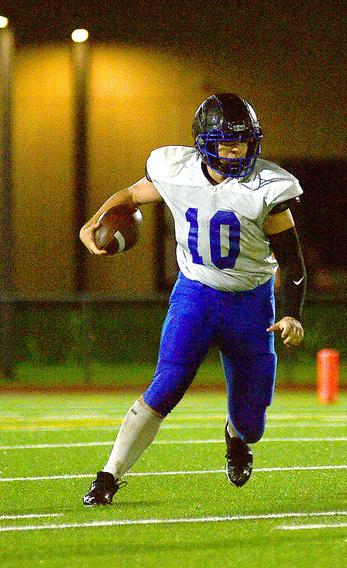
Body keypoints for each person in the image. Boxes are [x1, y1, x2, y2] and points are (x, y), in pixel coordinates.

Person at [79, 93, 307, 505]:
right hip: (197, 295)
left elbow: (292, 260)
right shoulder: (175, 170)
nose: (236, 150)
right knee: (166, 385)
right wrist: (95, 221)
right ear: (204, 143)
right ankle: (108, 475)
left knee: (252, 423)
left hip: (251, 304)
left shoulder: (269, 187)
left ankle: (237, 440)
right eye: (225, 142)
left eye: (243, 141)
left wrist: (292, 314)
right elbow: (130, 196)